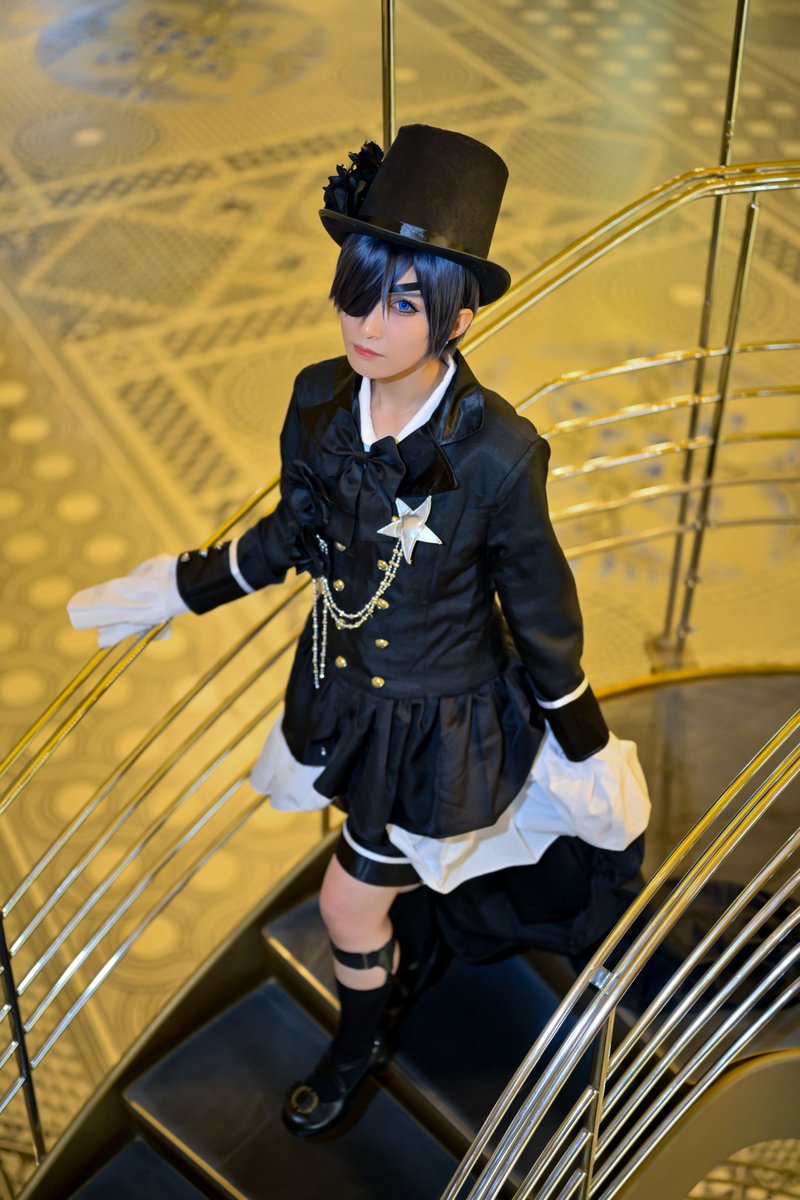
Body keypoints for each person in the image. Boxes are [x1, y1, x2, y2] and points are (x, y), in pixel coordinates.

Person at [68, 125, 650, 1137]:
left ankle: (356, 1042)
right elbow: (292, 534)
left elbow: (541, 611)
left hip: (441, 728)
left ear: (458, 318)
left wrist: (585, 744)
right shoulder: (318, 402)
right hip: (342, 698)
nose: (367, 326)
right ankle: (393, 969)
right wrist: (178, 588)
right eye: (357, 292)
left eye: (403, 304)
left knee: (346, 902)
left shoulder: (500, 454)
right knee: (371, 878)